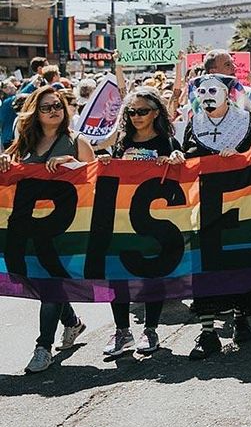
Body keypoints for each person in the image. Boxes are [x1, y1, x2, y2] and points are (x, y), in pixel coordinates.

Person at [0, 86, 95, 373]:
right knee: (42, 282)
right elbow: (14, 177)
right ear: (35, 113)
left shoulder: (76, 141)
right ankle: (72, 322)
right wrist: (5, 162)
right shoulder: (25, 143)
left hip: (64, 229)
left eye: (58, 105)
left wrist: (73, 163)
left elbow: (98, 182)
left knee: (51, 282)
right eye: (46, 107)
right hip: (29, 227)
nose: (54, 110)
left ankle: (43, 347)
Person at [183, 73, 251, 360]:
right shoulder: (193, 124)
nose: (206, 96)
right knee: (205, 266)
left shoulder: (248, 122)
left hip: (241, 206)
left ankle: (242, 316)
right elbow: (187, 159)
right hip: (205, 207)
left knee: (239, 261)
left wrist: (243, 158)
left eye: (213, 90)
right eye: (201, 91)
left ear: (227, 93)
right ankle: (208, 332)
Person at [98, 88, 184, 358]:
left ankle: (150, 329)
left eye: (142, 111)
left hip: (155, 221)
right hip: (123, 218)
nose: (136, 116)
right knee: (118, 276)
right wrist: (106, 162)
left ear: (156, 113)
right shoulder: (123, 142)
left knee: (152, 275)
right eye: (131, 112)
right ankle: (122, 331)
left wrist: (176, 162)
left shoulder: (168, 143)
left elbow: (184, 181)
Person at [202, 49, 251, 126]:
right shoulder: (199, 99)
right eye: (227, 64)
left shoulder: (250, 95)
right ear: (213, 71)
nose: (234, 67)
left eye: (233, 63)